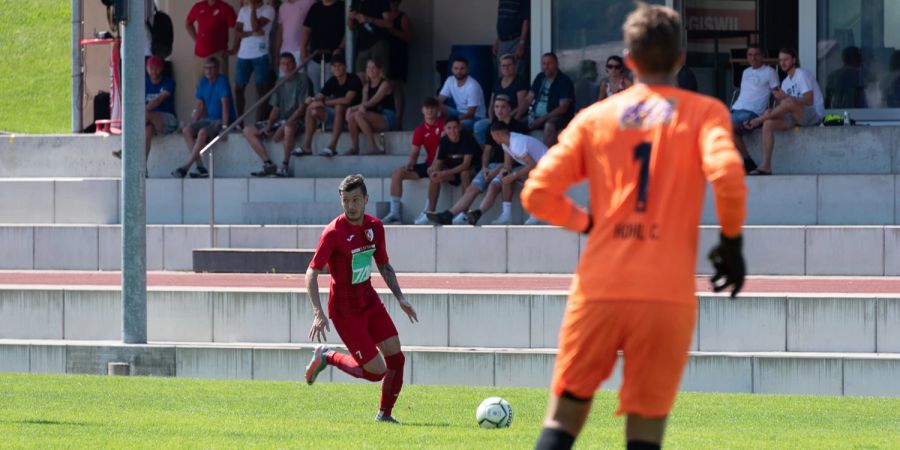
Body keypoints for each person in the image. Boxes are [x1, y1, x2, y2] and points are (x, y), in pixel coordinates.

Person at [522, 4, 747, 449]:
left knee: (563, 420)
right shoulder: (704, 113)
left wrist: (587, 223)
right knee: (645, 433)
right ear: (681, 57)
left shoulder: (597, 118)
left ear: (628, 59)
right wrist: (731, 243)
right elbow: (728, 176)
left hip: (600, 287)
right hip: (665, 295)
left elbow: (536, 193)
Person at [304, 174, 418, 424]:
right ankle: (327, 356)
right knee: (376, 371)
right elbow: (312, 272)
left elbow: (384, 264)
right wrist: (318, 312)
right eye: (346, 200)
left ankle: (384, 415)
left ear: (366, 199)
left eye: (356, 199)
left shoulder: (375, 227)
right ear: (341, 200)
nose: (351, 205)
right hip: (345, 310)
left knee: (397, 358)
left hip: (369, 300)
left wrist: (400, 298)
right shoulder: (333, 232)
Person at [427, 95, 527, 225]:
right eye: (496, 107)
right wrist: (485, 167)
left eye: (503, 107)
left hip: (511, 166)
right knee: (472, 188)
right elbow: (487, 151)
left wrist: (495, 170)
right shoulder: (492, 126)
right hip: (492, 165)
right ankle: (450, 214)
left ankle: (478, 215)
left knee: (494, 184)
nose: (499, 110)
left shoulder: (517, 127)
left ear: (510, 109)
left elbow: (515, 158)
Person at [744, 48, 825, 175]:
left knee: (786, 103)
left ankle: (757, 120)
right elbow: (784, 108)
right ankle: (766, 165)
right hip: (795, 117)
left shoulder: (801, 74)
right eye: (780, 60)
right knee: (768, 123)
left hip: (813, 115)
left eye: (786, 59)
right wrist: (772, 110)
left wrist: (787, 98)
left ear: (794, 60)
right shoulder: (786, 82)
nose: (782, 63)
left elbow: (809, 100)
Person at [463, 120, 545, 225]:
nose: (492, 138)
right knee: (506, 177)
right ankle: (506, 216)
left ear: (497, 134)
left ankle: (535, 214)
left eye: (492, 136)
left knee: (524, 177)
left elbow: (532, 164)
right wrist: (503, 172)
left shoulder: (516, 143)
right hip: (537, 166)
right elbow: (507, 165)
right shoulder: (505, 143)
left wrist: (514, 175)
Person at [243, 53, 309, 178]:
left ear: (295, 64)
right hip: (281, 120)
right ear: (280, 66)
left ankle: (284, 165)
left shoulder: (302, 79)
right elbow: (275, 108)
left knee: (288, 127)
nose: (287, 66)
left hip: (298, 120)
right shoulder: (280, 81)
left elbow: (302, 107)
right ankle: (268, 164)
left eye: (289, 63)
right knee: (248, 130)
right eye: (283, 64)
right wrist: (269, 125)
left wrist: (283, 126)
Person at [382, 97, 445, 225]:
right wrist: (409, 165)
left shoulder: (443, 124)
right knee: (398, 173)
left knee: (435, 172)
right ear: (422, 110)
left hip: (444, 163)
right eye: (427, 108)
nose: (429, 111)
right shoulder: (420, 130)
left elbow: (443, 148)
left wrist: (435, 165)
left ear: (437, 109)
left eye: (432, 108)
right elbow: (414, 153)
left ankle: (428, 212)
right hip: (429, 163)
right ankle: (395, 213)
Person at [173, 56, 236, 179]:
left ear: (218, 69)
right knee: (187, 130)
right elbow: (200, 105)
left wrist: (224, 127)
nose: (208, 71)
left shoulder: (222, 81)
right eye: (206, 68)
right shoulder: (203, 81)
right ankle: (200, 167)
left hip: (219, 120)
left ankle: (186, 166)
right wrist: (192, 125)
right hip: (208, 119)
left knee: (202, 132)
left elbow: (225, 105)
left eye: (212, 68)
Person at [112, 55, 177, 164]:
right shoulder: (143, 82)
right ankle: (143, 166)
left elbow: (158, 100)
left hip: (167, 120)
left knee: (146, 115)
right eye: (151, 68)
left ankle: (127, 149)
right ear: (146, 68)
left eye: (156, 68)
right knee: (148, 131)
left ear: (161, 69)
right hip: (148, 121)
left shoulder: (168, 82)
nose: (153, 71)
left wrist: (140, 113)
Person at [298, 54, 363, 157]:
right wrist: (312, 100)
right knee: (312, 108)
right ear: (331, 68)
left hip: (352, 117)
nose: (336, 68)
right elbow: (320, 95)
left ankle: (332, 147)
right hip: (337, 117)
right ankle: (306, 146)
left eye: (339, 65)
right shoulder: (333, 80)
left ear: (345, 66)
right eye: (334, 66)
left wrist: (323, 103)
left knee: (339, 106)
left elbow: (347, 100)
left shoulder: (353, 78)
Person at [730, 45, 780, 173]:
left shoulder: (769, 72)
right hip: (735, 110)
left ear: (762, 56)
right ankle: (747, 162)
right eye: (750, 55)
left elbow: (777, 94)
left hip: (752, 113)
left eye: (757, 54)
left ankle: (746, 162)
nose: (754, 58)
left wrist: (776, 113)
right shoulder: (745, 72)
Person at [421, 116, 480, 224]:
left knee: (464, 174)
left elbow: (466, 165)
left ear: (460, 128)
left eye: (455, 128)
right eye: (449, 128)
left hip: (473, 169)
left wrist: (444, 173)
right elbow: (438, 162)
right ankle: (429, 212)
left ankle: (464, 214)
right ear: (445, 129)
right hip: (454, 170)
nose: (452, 131)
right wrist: (434, 171)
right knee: (435, 177)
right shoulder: (444, 140)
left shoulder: (467, 138)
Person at [232, 0, 276, 123]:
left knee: (261, 89)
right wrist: (252, 33)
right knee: (239, 88)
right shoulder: (243, 10)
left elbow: (256, 25)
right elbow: (237, 32)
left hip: (260, 54)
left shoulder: (268, 9)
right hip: (243, 54)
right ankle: (240, 122)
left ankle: (259, 121)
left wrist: (252, 9)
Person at [473, 54, 530, 145]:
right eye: (503, 65)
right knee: (478, 126)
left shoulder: (520, 82)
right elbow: (492, 104)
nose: (506, 68)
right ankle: (485, 149)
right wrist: (492, 120)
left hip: (512, 118)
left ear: (515, 66)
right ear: (500, 67)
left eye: (509, 65)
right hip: (497, 117)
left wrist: (508, 118)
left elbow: (521, 106)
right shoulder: (497, 81)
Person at [345, 59, 395, 155]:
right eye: (368, 67)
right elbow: (364, 104)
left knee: (358, 114)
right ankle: (355, 147)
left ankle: (373, 146)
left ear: (379, 70)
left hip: (387, 117)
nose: (370, 70)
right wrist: (354, 109)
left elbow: (373, 101)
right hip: (373, 117)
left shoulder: (385, 84)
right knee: (352, 116)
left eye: (373, 67)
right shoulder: (366, 87)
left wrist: (351, 108)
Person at [526, 52, 575, 147]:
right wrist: (515, 115)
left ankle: (549, 159)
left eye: (549, 63)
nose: (546, 67)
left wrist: (542, 119)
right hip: (536, 116)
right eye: (544, 64)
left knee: (549, 125)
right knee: (515, 124)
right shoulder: (540, 77)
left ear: (556, 64)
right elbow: (528, 99)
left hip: (559, 118)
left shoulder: (564, 81)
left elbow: (563, 108)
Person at [186, 0, 237, 82]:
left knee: (221, 88)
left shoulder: (225, 8)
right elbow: (188, 23)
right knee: (200, 88)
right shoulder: (198, 6)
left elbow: (238, 28)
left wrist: (234, 49)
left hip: (218, 55)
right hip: (200, 56)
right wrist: (197, 39)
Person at [302, 0, 346, 93]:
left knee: (332, 90)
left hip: (334, 58)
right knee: (314, 91)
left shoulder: (342, 7)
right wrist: (303, 49)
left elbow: (349, 32)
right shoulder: (315, 8)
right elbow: (306, 30)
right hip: (314, 56)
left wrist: (340, 48)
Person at [437, 57, 487, 130]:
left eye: (462, 68)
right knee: (436, 106)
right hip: (459, 113)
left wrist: (452, 121)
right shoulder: (450, 80)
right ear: (452, 69)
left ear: (467, 69)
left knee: (454, 126)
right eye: (456, 68)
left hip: (476, 118)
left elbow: (471, 114)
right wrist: (430, 109)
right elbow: (439, 100)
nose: (459, 71)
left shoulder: (473, 86)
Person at [348, 0, 392, 78]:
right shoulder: (355, 1)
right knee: (360, 77)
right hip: (361, 44)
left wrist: (369, 19)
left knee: (378, 77)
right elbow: (352, 27)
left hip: (378, 42)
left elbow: (389, 23)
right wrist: (350, 18)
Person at [386, 0, 412, 130]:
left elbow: (408, 37)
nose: (392, 4)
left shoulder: (402, 17)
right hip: (383, 55)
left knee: (396, 86)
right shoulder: (379, 15)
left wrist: (390, 29)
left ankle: (398, 121)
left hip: (397, 54)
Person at [275, 0, 317, 71]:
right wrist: (276, 53)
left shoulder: (309, 2)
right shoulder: (282, 7)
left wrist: (306, 49)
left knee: (300, 79)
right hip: (285, 51)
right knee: (284, 80)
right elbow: (280, 31)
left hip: (301, 51)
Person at [494, 0, 530, 79]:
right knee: (502, 75)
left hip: (515, 41)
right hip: (502, 42)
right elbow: (501, 21)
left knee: (515, 75)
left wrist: (522, 43)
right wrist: (497, 41)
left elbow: (526, 21)